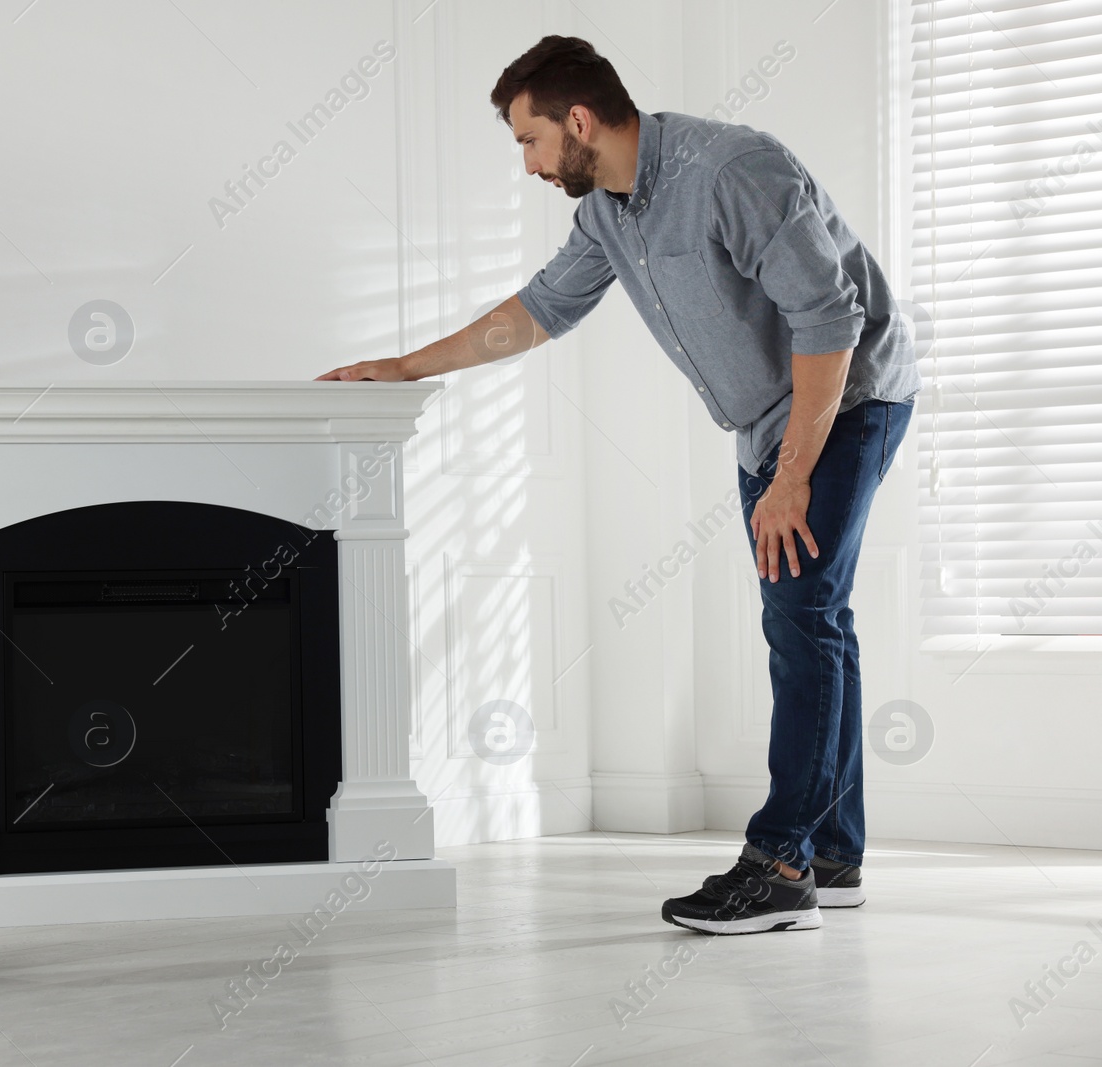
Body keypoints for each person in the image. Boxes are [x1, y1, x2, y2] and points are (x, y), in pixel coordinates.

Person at [316, 35, 919, 935]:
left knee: (803, 615)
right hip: (765, 416)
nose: (526, 164)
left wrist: (792, 474)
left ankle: (783, 863)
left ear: (580, 119)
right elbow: (537, 312)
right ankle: (833, 852)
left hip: (845, 396)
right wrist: (405, 367)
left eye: (529, 140)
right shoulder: (608, 209)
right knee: (814, 616)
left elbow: (830, 317)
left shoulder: (732, 168)